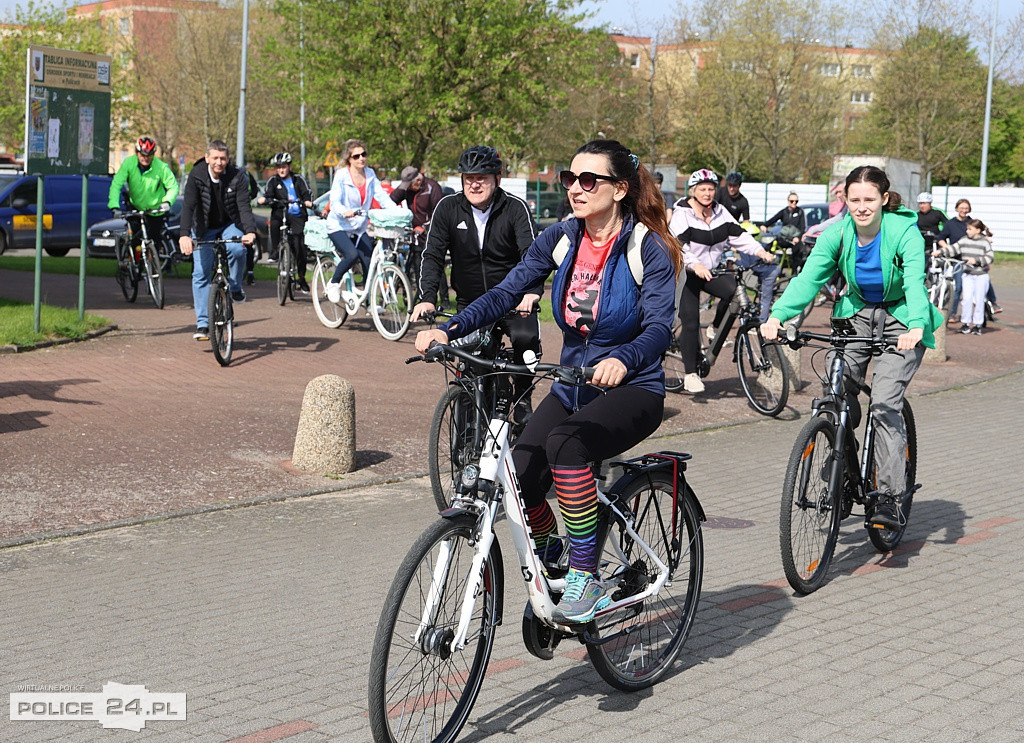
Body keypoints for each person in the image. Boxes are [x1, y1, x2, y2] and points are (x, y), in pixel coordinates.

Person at [415, 139, 681, 624]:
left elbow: (660, 327)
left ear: (619, 189)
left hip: (633, 389)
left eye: (589, 180)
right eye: (569, 178)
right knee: (518, 473)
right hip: (572, 384)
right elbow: (507, 291)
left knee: (566, 446)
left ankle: (586, 577)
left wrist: (623, 358)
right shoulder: (562, 237)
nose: (575, 189)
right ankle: (554, 550)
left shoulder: (647, 247)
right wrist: (449, 328)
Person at [762, 165, 942, 530]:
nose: (861, 207)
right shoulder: (838, 234)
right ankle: (845, 466)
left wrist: (917, 326)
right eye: (854, 199)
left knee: (885, 403)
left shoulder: (904, 231)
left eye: (869, 199)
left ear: (884, 199)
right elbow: (808, 278)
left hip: (903, 318)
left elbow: (914, 283)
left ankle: (891, 497)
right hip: (857, 314)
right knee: (835, 392)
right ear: (844, 199)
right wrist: (777, 316)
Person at [410, 145, 540, 424]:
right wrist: (427, 297)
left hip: (512, 301)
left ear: (498, 179)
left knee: (526, 341)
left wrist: (531, 292)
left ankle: (523, 396)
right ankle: (468, 428)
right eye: (469, 178)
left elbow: (532, 255)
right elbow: (432, 254)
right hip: (470, 303)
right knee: (467, 362)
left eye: (482, 177)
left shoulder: (515, 208)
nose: (475, 183)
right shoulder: (448, 208)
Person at [670, 169, 774, 393]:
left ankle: (716, 330)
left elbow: (739, 235)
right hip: (687, 273)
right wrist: (694, 264)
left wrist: (759, 251)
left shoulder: (720, 212)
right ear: (693, 191)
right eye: (702, 189)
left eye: (711, 189)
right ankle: (690, 374)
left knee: (735, 292)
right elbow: (678, 246)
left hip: (711, 272)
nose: (707, 193)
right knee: (690, 322)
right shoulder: (682, 214)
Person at [178, 140, 258, 341]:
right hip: (203, 227)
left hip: (229, 224)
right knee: (200, 272)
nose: (219, 162)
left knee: (239, 250)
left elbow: (244, 206)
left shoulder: (237, 177)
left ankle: (236, 287)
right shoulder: (196, 176)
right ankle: (203, 324)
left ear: (228, 159)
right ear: (207, 158)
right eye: (215, 158)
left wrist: (250, 231)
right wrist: (184, 235)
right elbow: (188, 207)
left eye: (223, 158)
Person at [324, 140, 397, 303]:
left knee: (368, 261)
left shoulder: (370, 174)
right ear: (349, 159)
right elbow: (334, 201)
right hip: (339, 225)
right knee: (351, 255)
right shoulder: (341, 175)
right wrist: (344, 211)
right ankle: (333, 283)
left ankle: (368, 302)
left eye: (364, 154)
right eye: (356, 156)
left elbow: (382, 197)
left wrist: (396, 212)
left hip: (359, 226)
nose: (361, 159)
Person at [107, 136, 179, 260]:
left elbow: (173, 186)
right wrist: (114, 205)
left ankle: (152, 267)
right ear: (137, 153)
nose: (145, 158)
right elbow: (116, 184)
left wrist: (167, 201)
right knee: (135, 241)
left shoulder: (161, 167)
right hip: (135, 207)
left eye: (149, 155)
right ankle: (131, 262)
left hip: (155, 210)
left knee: (154, 241)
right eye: (143, 155)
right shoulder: (129, 163)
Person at [391, 165, 447, 306]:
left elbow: (438, 212)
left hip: (430, 233)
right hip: (414, 236)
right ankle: (423, 299)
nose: (408, 188)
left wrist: (424, 227)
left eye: (409, 184)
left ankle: (444, 300)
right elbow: (391, 200)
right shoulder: (408, 189)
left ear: (417, 181)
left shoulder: (432, 187)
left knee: (436, 267)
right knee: (418, 267)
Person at [258, 152, 313, 292]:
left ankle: (301, 278)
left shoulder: (298, 179)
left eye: (283, 167)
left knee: (299, 245)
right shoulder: (273, 181)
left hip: (297, 214)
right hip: (281, 212)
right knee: (275, 223)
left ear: (289, 167)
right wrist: (265, 199)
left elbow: (307, 193)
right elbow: (268, 194)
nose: (281, 170)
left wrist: (307, 201)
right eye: (278, 167)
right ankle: (275, 250)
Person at [937, 198, 1001, 318]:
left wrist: (986, 240)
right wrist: (944, 250)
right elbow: (941, 238)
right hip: (958, 259)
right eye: (961, 208)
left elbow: (981, 236)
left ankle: (993, 303)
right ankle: (953, 313)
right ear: (956, 208)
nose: (964, 210)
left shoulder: (972, 222)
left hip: (972, 260)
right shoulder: (950, 224)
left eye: (966, 208)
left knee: (984, 283)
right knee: (959, 287)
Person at [933, 219, 994, 335]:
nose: (967, 231)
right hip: (967, 274)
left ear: (978, 230)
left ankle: (977, 325)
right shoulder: (964, 240)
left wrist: (976, 260)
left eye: (970, 229)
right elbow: (953, 248)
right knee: (966, 299)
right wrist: (939, 252)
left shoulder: (984, 242)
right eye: (967, 228)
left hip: (981, 275)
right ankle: (965, 323)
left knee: (979, 299)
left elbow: (990, 257)